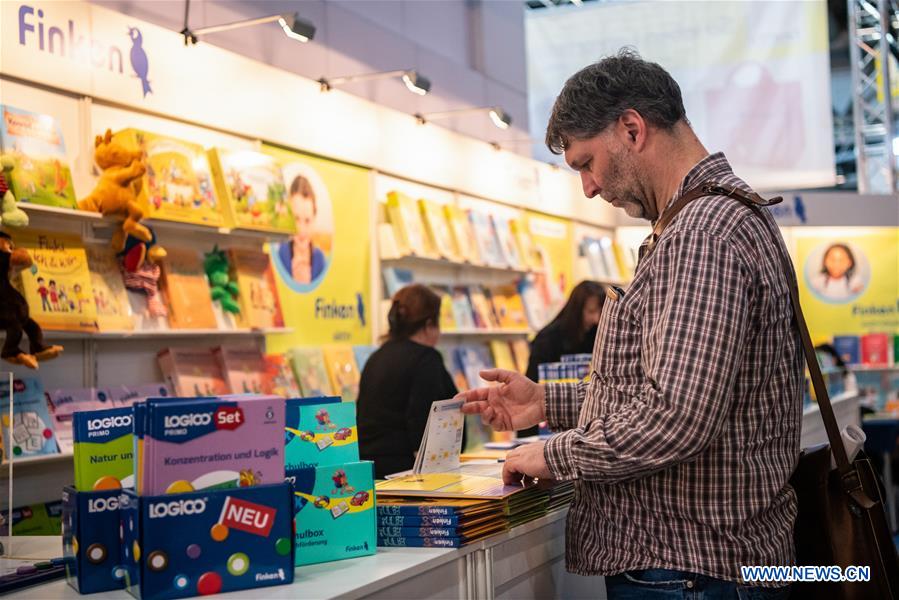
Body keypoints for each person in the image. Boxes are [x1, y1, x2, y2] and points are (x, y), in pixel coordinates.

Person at [459, 49, 801, 598]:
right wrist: (549, 403)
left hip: (692, 568)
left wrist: (551, 453)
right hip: (709, 567)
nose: (589, 187)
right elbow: (674, 389)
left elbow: (675, 417)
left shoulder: (702, 236)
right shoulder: (711, 220)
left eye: (586, 163)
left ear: (632, 128)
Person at [357, 284, 458, 478]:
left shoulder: (377, 356)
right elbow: (422, 419)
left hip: (367, 469)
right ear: (429, 324)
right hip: (403, 470)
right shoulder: (427, 358)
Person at [519, 280, 605, 437]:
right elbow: (532, 385)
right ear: (577, 310)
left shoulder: (599, 335)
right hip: (544, 425)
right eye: (591, 311)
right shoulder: (548, 339)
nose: (596, 319)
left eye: (600, 312)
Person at [278, 174, 325, 284]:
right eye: (296, 219)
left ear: (314, 218)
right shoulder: (280, 254)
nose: (301, 230)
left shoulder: (320, 260)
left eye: (307, 220)